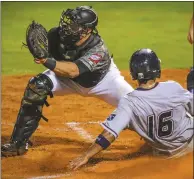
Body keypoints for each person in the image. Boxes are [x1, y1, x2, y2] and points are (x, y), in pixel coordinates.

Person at [1, 6, 134, 157]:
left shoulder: (98, 49)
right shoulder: (55, 35)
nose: (68, 27)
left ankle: (157, 141)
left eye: (75, 24)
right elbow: (63, 69)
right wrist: (44, 55)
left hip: (104, 82)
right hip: (67, 80)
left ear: (88, 30)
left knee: (138, 105)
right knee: (37, 86)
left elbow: (74, 70)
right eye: (69, 22)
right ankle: (18, 143)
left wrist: (46, 60)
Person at [68, 48, 194, 170]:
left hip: (165, 152)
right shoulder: (173, 88)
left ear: (133, 72)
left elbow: (109, 134)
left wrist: (86, 155)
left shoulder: (129, 102)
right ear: (156, 69)